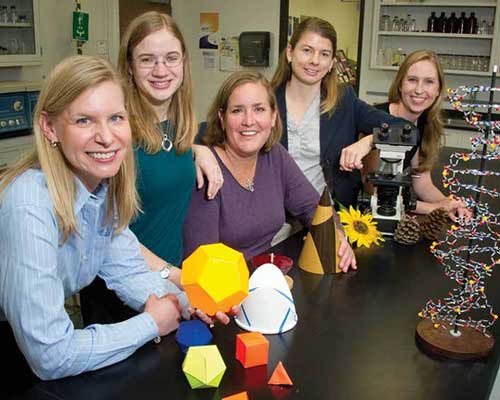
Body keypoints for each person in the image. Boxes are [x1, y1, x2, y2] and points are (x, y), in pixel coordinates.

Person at [0, 56, 228, 385]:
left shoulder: (102, 189)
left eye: (116, 118)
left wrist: (191, 302)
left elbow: (130, 273)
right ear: (50, 127)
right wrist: (151, 323)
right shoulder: (28, 203)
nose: (106, 137)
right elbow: (51, 355)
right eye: (84, 121)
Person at [80, 12, 224, 324]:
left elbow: (165, 161)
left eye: (171, 58)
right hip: (121, 293)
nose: (161, 70)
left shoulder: (180, 127)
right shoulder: (114, 132)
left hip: (169, 283)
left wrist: (199, 150)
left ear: (184, 63)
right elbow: (106, 234)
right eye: (147, 60)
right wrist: (175, 277)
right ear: (129, 66)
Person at [183, 71, 356, 272]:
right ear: (222, 118)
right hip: (223, 288)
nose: (249, 121)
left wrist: (338, 237)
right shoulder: (206, 169)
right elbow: (201, 264)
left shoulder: (275, 155)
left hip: (264, 276)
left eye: (259, 109)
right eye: (237, 110)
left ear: (273, 116)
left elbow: (314, 208)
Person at [271, 17, 410, 208]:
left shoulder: (345, 101)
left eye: (324, 54)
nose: (314, 61)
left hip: (330, 216)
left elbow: (407, 129)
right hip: (278, 216)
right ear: (289, 52)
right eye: (306, 50)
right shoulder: (265, 101)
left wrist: (369, 142)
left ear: (331, 63)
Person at [371, 50, 468, 220]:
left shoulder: (425, 123)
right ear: (400, 84)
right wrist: (436, 208)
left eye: (429, 82)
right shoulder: (377, 121)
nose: (419, 90)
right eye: (412, 80)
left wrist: (450, 204)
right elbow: (374, 191)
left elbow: (422, 182)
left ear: (438, 90)